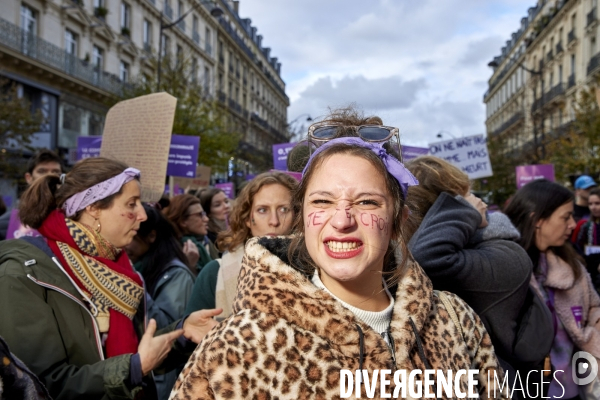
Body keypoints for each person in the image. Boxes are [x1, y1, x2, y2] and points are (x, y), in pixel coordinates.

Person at [171, 112, 506, 399]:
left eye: (366, 202)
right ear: (302, 217)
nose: (342, 220)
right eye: (322, 202)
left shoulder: (457, 321)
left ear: (397, 222)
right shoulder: (238, 346)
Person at [0, 157, 220, 400]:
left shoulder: (118, 266)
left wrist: (182, 332)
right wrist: (133, 369)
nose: (142, 215)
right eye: (131, 204)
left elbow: (138, 349)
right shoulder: (23, 273)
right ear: (93, 208)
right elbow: (37, 383)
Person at [405, 155, 553, 398]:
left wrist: (463, 209)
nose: (479, 200)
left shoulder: (507, 255)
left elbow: (425, 258)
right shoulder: (427, 252)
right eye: (468, 194)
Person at [505, 179, 600, 400]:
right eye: (565, 217)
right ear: (537, 219)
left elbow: (594, 306)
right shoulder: (506, 270)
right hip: (530, 391)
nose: (573, 224)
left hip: (578, 389)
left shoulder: (570, 264)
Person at [185, 171, 298, 317]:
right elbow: (189, 332)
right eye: (262, 210)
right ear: (247, 219)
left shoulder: (316, 271)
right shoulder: (214, 273)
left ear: (296, 215)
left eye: (283, 209)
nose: (274, 221)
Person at [125, 203, 196, 400]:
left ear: (151, 236)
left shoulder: (175, 275)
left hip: (160, 378)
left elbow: (168, 330)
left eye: (132, 234)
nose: (124, 243)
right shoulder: (142, 265)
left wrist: (133, 283)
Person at [0, 149, 63, 240]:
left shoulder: (74, 219)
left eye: (56, 172)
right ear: (28, 178)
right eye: (42, 171)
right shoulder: (6, 224)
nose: (49, 176)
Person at [164, 194, 213, 275]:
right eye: (200, 215)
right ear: (183, 221)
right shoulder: (177, 249)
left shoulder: (201, 242)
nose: (206, 219)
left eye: (204, 214)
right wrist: (189, 265)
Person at [572, 187, 600, 290]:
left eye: (597, 203)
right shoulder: (584, 225)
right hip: (590, 273)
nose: (593, 207)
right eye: (590, 204)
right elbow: (576, 248)